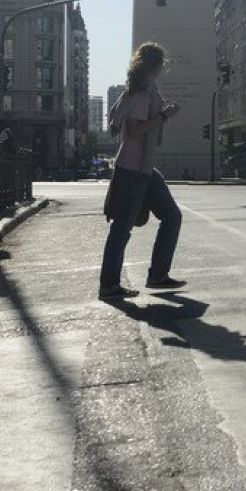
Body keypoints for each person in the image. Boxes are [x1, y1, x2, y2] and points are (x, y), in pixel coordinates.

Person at [99, 42, 186, 300]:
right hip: (132, 168)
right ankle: (109, 285)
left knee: (172, 216)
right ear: (155, 65)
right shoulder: (141, 93)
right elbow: (136, 131)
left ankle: (158, 275)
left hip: (144, 168)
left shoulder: (142, 88)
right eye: (161, 65)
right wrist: (166, 115)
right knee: (122, 228)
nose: (162, 69)